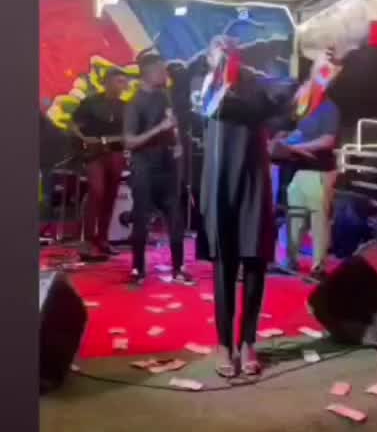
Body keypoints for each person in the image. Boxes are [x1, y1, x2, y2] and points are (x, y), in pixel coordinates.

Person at [201, 37, 289, 378]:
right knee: (224, 266)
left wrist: (320, 77)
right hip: (220, 182)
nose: (223, 51)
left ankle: (249, 340)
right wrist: (222, 75)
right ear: (209, 56)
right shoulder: (205, 86)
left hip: (253, 180)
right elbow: (214, 107)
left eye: (229, 47)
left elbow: (283, 104)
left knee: (254, 262)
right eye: (217, 48)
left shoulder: (257, 86)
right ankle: (225, 344)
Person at [124, 53, 193, 286]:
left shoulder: (165, 97)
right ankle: (137, 268)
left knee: (175, 217)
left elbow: (171, 125)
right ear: (149, 72)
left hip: (167, 165)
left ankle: (179, 268)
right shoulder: (135, 103)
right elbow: (129, 141)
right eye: (162, 71)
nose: (166, 75)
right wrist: (158, 129)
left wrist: (177, 143)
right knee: (141, 217)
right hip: (144, 166)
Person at [271, 52, 341, 280]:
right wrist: (286, 140)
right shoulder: (305, 109)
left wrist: (297, 147)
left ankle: (318, 267)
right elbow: (297, 133)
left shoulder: (329, 108)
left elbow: (328, 140)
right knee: (295, 218)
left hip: (319, 172)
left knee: (318, 221)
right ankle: (290, 261)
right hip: (300, 170)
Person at [70, 69, 128, 258]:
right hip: (94, 153)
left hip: (115, 153)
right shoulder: (91, 102)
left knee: (110, 196)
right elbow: (74, 125)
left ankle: (103, 239)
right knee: (97, 191)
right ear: (107, 82)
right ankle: (87, 240)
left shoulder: (126, 107)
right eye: (118, 81)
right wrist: (84, 139)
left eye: (123, 82)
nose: (122, 85)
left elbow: (130, 133)